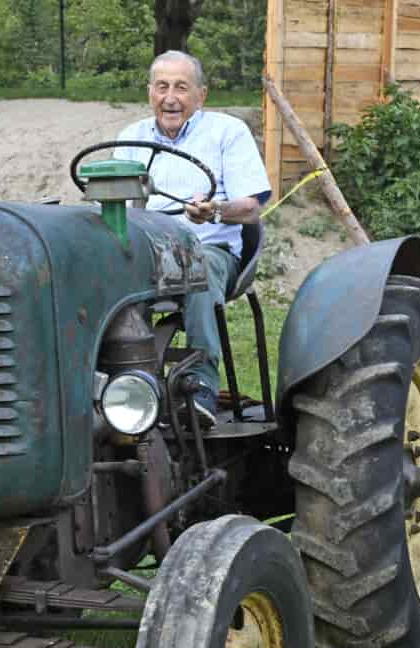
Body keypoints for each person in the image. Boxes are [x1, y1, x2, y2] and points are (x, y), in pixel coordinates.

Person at [115, 50, 271, 428]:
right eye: (162, 86)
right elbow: (116, 201)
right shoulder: (131, 136)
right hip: (145, 250)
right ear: (150, 92)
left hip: (209, 246)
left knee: (194, 268)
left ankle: (200, 390)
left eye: (182, 88)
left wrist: (215, 209)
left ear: (201, 95)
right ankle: (108, 390)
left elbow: (251, 208)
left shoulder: (226, 132)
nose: (171, 97)